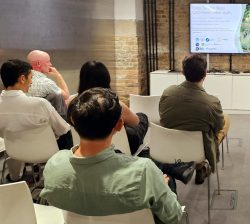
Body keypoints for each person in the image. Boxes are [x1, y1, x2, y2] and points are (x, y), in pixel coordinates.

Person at [40, 88, 183, 224]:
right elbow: (173, 216)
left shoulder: (54, 164)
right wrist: (161, 186)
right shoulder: (144, 172)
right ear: (119, 125)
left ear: (73, 121)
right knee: (168, 182)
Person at [160, 54, 230, 184]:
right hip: (199, 151)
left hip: (168, 147)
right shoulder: (212, 102)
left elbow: (163, 118)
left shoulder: (167, 92)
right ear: (205, 74)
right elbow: (218, 126)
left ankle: (199, 166)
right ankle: (201, 165)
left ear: (183, 72)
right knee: (225, 119)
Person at [0, 59, 71, 181]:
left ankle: (15, 177)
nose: (31, 82)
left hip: (14, 153)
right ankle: (65, 175)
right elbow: (62, 129)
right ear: (22, 79)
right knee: (66, 133)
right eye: (30, 77)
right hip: (45, 153)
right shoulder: (39, 104)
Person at [69, 61, 148, 155]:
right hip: (121, 149)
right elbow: (136, 122)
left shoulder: (72, 103)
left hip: (84, 149)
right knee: (142, 117)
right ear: (106, 79)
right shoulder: (116, 105)